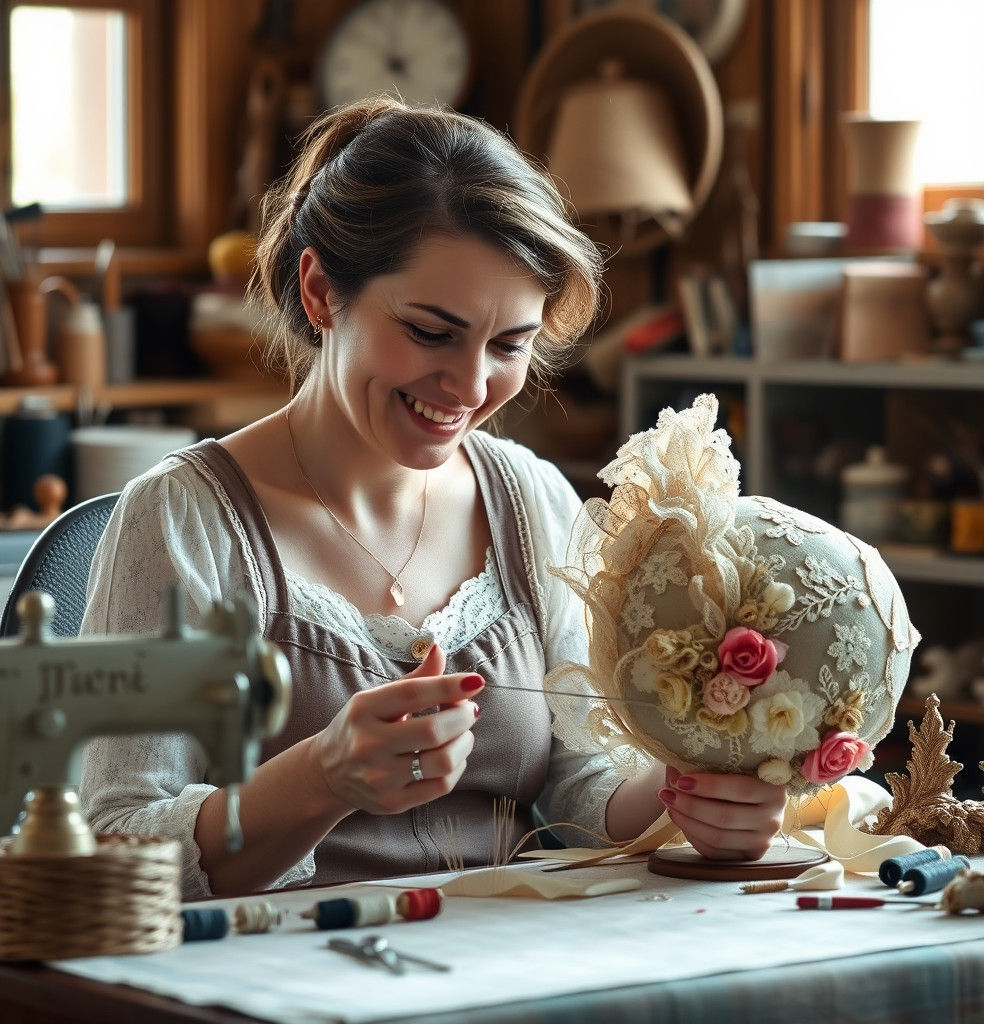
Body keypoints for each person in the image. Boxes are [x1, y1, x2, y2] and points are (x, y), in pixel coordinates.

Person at [80, 96, 786, 898]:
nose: (470, 385)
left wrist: (687, 799)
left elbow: (582, 789)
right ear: (319, 291)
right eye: (430, 331)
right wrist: (320, 777)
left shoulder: (531, 500)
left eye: (510, 345)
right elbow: (115, 848)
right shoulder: (182, 521)